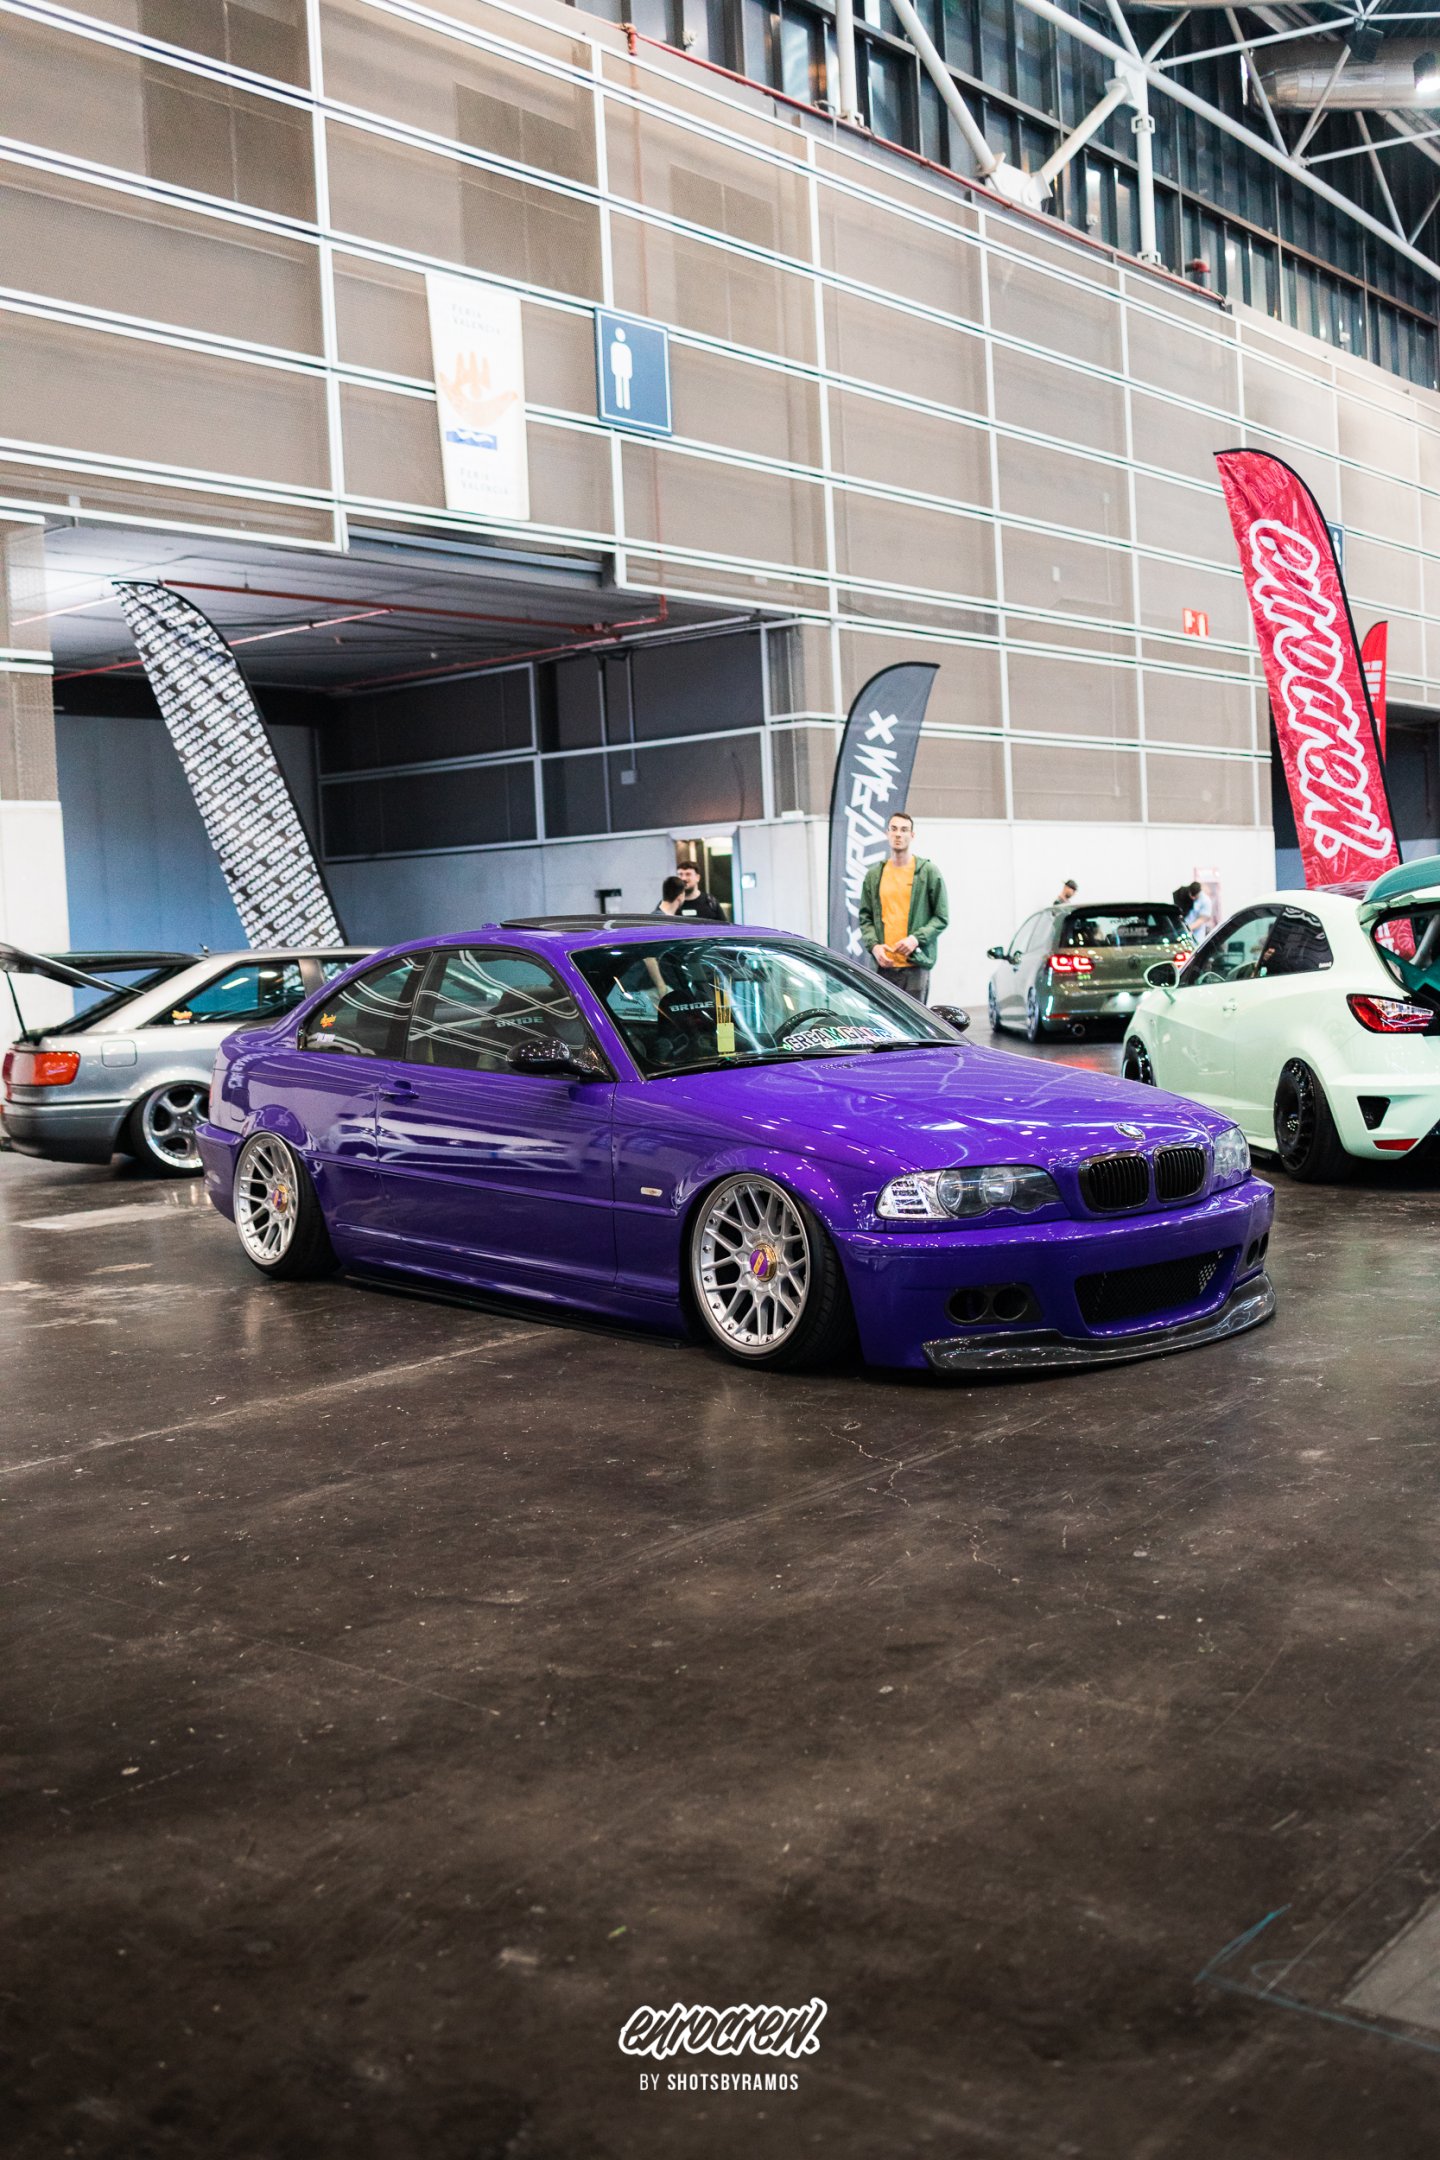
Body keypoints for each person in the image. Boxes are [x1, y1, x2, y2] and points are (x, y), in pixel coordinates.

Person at [857, 811, 949, 1001]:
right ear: (887, 833)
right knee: (882, 1018)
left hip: (915, 966)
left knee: (914, 1018)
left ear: (912, 835)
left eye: (904, 830)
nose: (898, 834)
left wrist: (915, 939)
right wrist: (874, 947)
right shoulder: (874, 875)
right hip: (883, 966)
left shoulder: (927, 872)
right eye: (894, 829)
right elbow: (865, 918)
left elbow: (941, 917)